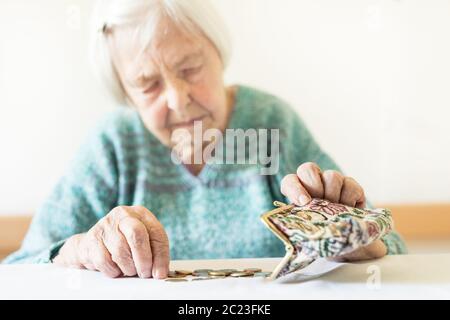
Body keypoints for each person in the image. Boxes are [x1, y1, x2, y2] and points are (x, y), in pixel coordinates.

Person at [3, 0, 406, 279]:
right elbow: (19, 269)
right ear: (127, 95)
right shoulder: (113, 144)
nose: (178, 99)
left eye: (190, 68)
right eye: (147, 85)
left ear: (218, 53)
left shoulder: (271, 122)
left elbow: (393, 251)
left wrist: (354, 239)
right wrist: (78, 252)